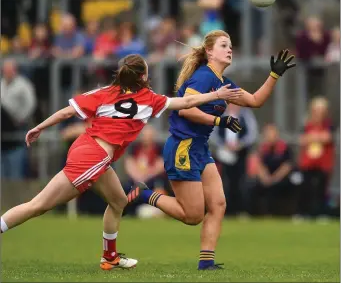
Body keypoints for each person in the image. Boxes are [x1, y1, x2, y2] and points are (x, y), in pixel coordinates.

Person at [0, 54, 241, 271]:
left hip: (89, 149)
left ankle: (110, 257)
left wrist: (39, 127)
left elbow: (66, 113)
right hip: (92, 160)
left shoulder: (105, 91)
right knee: (38, 205)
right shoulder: (149, 99)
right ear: (143, 76)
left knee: (118, 201)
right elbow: (187, 103)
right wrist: (217, 95)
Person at [127, 30, 296, 270]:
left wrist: (274, 75)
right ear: (209, 52)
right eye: (223, 45)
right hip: (182, 147)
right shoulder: (204, 77)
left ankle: (206, 262)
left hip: (199, 149)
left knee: (218, 204)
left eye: (230, 45)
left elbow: (255, 100)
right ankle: (144, 194)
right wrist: (219, 121)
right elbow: (185, 110)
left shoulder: (223, 82)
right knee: (193, 216)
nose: (229, 49)